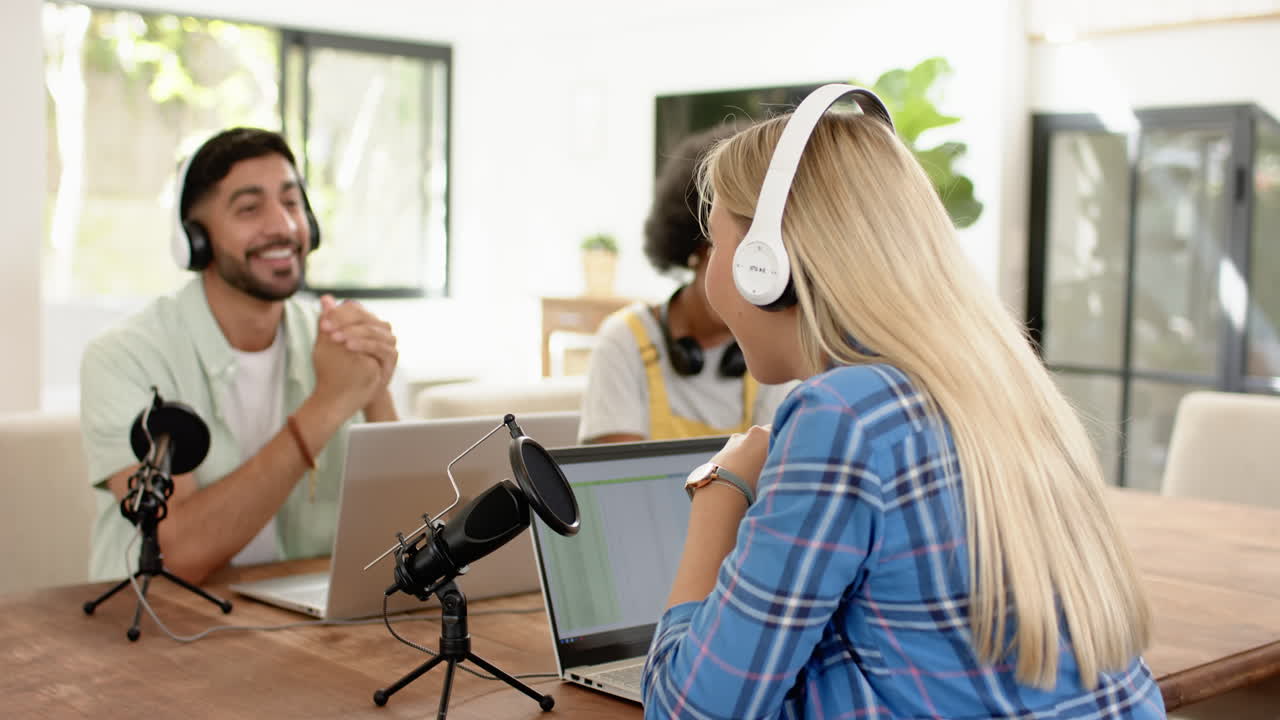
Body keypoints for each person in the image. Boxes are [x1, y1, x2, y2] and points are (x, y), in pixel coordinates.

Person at [641, 88, 1165, 718]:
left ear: (768, 268)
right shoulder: (1002, 380)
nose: (711, 277)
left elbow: (688, 710)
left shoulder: (844, 414)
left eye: (717, 244)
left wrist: (720, 493)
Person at [80, 127, 399, 585]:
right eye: (250, 208)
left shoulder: (335, 339)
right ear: (196, 239)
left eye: (291, 203)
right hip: (161, 626)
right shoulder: (124, 358)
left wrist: (375, 388)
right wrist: (328, 404)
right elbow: (178, 553)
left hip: (304, 622)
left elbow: (409, 533)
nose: (285, 227)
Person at [578, 125, 794, 444]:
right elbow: (619, 483)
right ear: (696, 250)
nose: (753, 285)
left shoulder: (769, 354)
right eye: (734, 254)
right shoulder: (624, 341)